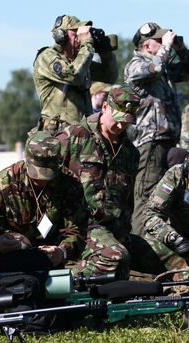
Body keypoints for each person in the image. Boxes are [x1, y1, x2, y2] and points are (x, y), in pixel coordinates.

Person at [0, 131, 89, 273]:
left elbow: (78, 230)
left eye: (48, 175)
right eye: (36, 174)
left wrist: (62, 251)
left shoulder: (69, 184)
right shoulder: (5, 182)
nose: (41, 180)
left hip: (53, 260)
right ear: (26, 161)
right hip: (11, 258)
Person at [56, 84, 140, 279]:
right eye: (118, 119)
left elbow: (127, 201)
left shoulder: (130, 153)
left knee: (169, 258)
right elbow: (47, 182)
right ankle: (58, 278)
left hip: (115, 230)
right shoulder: (74, 137)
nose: (121, 126)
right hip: (82, 227)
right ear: (104, 108)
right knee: (117, 257)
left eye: (127, 122)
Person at [124, 22, 189, 236]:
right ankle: (139, 247)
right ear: (147, 46)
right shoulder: (135, 65)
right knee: (146, 196)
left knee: (169, 196)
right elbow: (154, 68)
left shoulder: (163, 66)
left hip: (168, 142)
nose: (165, 42)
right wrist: (166, 48)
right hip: (149, 142)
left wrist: (180, 49)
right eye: (159, 40)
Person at [33, 15, 118, 129]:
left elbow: (109, 75)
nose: (80, 38)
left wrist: (105, 51)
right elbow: (74, 76)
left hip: (82, 134)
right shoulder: (46, 57)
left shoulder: (79, 63)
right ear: (60, 36)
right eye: (76, 33)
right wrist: (87, 43)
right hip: (58, 136)